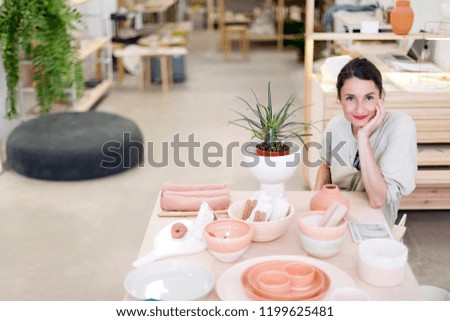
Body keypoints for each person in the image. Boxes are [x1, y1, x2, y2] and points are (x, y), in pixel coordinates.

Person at [314, 57, 417, 227]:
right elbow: (325, 166)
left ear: (381, 97)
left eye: (369, 98)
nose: (360, 109)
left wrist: (363, 138)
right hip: (335, 215)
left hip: (375, 223)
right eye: (350, 98)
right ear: (339, 99)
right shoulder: (335, 125)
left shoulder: (400, 126)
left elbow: (378, 200)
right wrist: (315, 203)